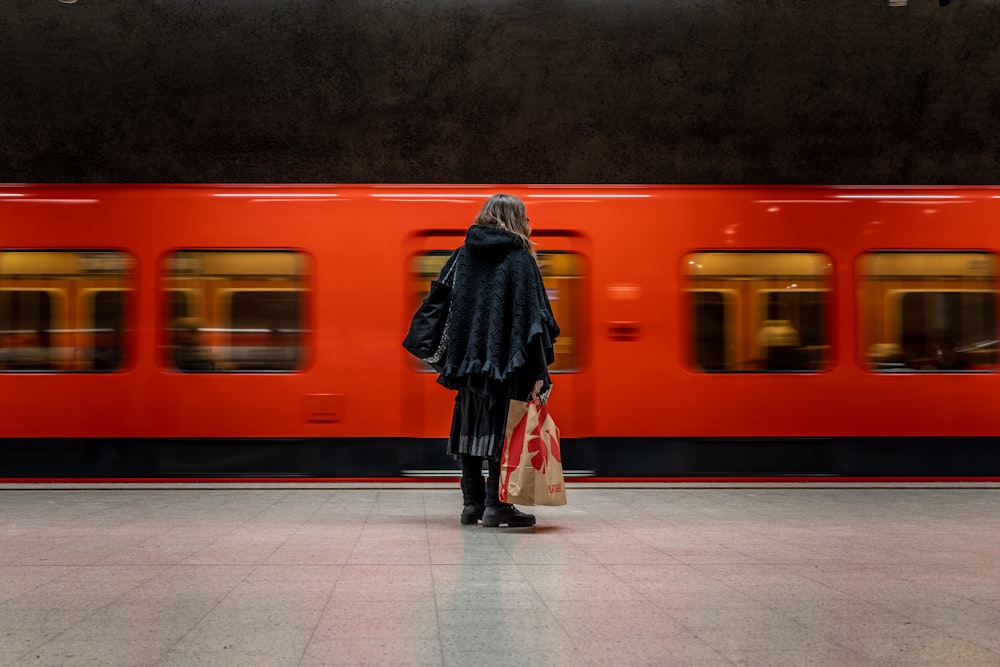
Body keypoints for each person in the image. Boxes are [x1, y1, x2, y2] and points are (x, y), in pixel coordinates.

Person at [435, 194, 560, 527]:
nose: (530, 223)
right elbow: (532, 324)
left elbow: (440, 305)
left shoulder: (462, 256)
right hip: (508, 366)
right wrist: (539, 373)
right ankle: (497, 505)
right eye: (526, 217)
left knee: (470, 428)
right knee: (501, 431)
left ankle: (470, 505)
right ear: (514, 219)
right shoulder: (520, 261)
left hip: (466, 364)